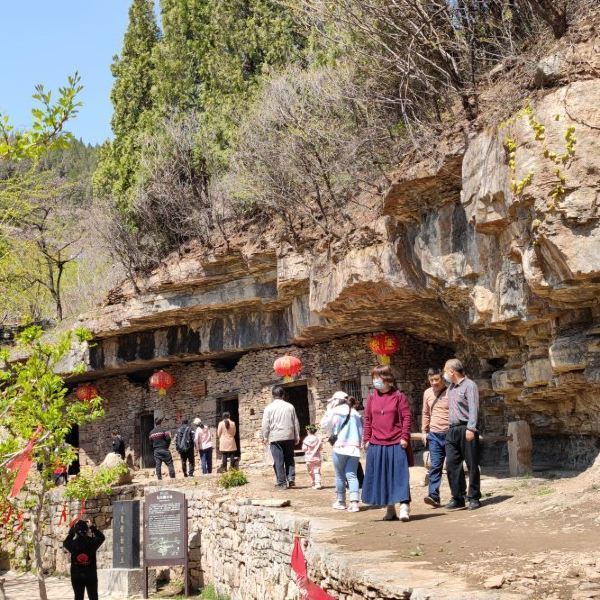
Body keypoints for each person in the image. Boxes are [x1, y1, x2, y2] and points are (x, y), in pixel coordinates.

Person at [362, 366, 413, 522]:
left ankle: (404, 506)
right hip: (377, 443)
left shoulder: (399, 397)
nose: (375, 381)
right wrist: (366, 439)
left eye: (378, 377)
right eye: (374, 378)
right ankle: (390, 509)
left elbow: (406, 418)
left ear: (387, 379)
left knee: (399, 475)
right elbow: (368, 420)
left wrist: (404, 437)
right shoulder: (371, 398)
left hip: (396, 441)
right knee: (382, 476)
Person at [443, 358, 481, 510]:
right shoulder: (451, 387)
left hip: (466, 428)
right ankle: (457, 496)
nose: (444, 373)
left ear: (452, 371)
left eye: (445, 370)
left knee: (472, 464)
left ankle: (473, 497)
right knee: (452, 464)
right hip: (452, 429)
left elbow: (473, 407)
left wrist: (471, 428)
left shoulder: (469, 385)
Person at [321, 393, 363, 512]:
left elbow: (324, 426)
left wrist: (328, 411)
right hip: (354, 447)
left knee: (340, 475)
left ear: (336, 400)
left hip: (340, 447)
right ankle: (354, 503)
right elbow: (361, 431)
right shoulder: (355, 413)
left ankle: (341, 501)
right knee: (352, 475)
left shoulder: (335, 411)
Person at [261, 385, 300, 490]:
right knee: (289, 458)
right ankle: (291, 478)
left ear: (273, 395)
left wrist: (265, 436)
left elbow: (265, 424)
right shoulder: (290, 406)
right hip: (288, 436)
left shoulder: (268, 408)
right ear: (283, 395)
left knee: (278, 461)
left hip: (275, 437)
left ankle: (282, 483)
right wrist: (297, 435)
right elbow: (295, 422)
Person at [421, 368, 448, 508]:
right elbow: (425, 413)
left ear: (442, 378)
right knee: (435, 466)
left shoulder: (451, 391)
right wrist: (424, 431)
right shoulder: (427, 393)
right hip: (434, 434)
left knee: (454, 467)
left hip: (450, 434)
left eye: (436, 379)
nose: (434, 383)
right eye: (431, 380)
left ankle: (459, 495)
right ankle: (433, 496)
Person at [63, 518, 105, 600]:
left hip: (76, 575)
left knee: (78, 597)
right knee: (93, 597)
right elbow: (101, 537)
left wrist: (72, 530)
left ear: (76, 531)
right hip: (91, 575)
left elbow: (65, 542)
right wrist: (92, 527)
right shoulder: (92, 542)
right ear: (87, 530)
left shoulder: (72, 544)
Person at [302, 425, 323, 490]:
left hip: (309, 458)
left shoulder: (306, 439)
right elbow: (320, 448)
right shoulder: (318, 439)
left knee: (311, 471)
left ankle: (314, 481)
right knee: (317, 471)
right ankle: (318, 483)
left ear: (308, 431)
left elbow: (304, 449)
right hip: (317, 457)